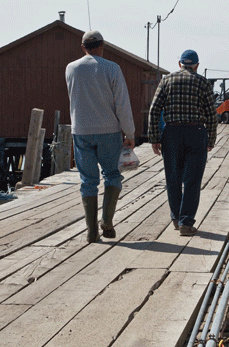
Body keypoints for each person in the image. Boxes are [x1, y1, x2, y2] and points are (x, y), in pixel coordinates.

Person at [65, 30, 135, 243]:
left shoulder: (71, 68)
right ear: (102, 46)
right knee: (112, 175)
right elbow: (122, 103)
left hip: (81, 131)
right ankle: (107, 221)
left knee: (88, 181)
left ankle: (91, 231)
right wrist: (129, 133)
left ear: (83, 47)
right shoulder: (112, 68)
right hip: (109, 131)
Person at [148, 49, 217, 236]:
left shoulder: (167, 80)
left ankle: (176, 219)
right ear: (197, 65)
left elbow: (154, 110)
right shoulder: (202, 82)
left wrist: (154, 138)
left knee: (173, 178)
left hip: (171, 133)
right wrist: (210, 140)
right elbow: (211, 114)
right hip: (196, 132)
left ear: (180, 64)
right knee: (192, 180)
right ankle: (187, 222)